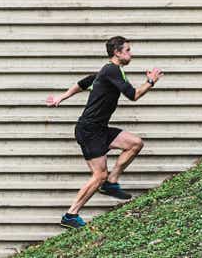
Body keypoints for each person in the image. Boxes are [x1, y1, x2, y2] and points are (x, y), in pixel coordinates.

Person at [45, 36, 163, 229]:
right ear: (117, 53)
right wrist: (151, 81)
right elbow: (134, 95)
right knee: (98, 175)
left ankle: (111, 182)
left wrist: (61, 97)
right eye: (128, 50)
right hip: (89, 130)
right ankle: (70, 214)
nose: (131, 53)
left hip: (99, 128)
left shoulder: (106, 71)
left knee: (135, 143)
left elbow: (83, 83)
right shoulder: (112, 70)